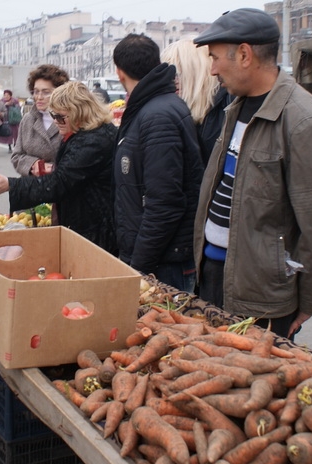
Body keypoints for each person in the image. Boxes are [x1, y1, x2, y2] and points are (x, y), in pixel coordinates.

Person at [192, 8, 312, 339]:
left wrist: (310, 302)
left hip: (262, 299)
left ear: (245, 55)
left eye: (216, 57)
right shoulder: (235, 107)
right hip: (214, 277)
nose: (212, 69)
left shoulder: (305, 122)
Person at [0, 81, 118, 254]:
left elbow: (59, 183)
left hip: (94, 227)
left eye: (61, 117)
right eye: (54, 116)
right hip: (88, 220)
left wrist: (11, 185)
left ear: (79, 112)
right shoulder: (87, 133)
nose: (56, 121)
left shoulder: (93, 141)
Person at [112, 33, 204, 292]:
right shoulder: (152, 108)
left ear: (119, 72)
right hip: (156, 257)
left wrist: (138, 266)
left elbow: (165, 203)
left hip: (163, 263)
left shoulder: (157, 115)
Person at [161, 39, 234, 167]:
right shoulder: (174, 114)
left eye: (175, 74)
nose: (170, 81)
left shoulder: (227, 110)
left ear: (195, 74)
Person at [10, 64, 69, 176]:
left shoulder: (69, 120)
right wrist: (33, 164)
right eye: (36, 91)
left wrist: (52, 168)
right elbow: (16, 156)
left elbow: (77, 160)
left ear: (59, 93)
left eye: (46, 92)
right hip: (30, 187)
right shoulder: (28, 119)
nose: (39, 97)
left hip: (59, 187)